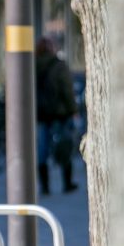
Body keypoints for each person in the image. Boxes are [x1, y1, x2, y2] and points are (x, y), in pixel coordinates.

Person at [35, 36, 79, 195]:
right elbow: (67, 90)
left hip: (41, 115)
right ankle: (67, 183)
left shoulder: (31, 66)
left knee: (42, 151)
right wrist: (73, 109)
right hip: (59, 114)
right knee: (64, 146)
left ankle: (45, 187)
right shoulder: (59, 66)